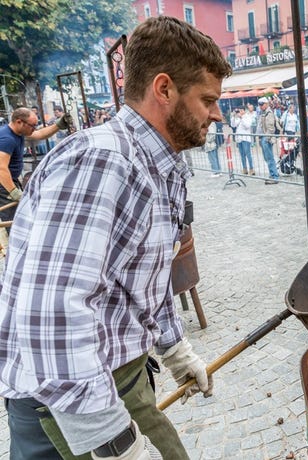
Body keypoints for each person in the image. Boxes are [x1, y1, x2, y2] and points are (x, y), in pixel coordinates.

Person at [0, 16, 232, 459]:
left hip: (117, 378)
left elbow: (142, 275)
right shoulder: (105, 161)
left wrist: (174, 346)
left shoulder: (159, 163)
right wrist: (110, 439)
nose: (217, 113)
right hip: (66, 408)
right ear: (164, 89)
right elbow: (50, 314)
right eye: (207, 99)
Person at [0, 107, 70, 226]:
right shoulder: (8, 139)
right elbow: (1, 168)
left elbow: (39, 134)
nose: (34, 129)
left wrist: (58, 125)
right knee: (17, 222)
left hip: (8, 182)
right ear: (19, 122)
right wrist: (13, 192)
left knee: (21, 217)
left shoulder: (17, 132)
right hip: (3, 185)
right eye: (32, 125)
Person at [258, 96, 281, 184]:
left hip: (267, 138)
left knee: (270, 158)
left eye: (262, 104)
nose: (260, 106)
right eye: (259, 104)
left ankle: (274, 176)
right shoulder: (263, 112)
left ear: (266, 104)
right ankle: (272, 175)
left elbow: (270, 128)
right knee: (267, 158)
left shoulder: (268, 113)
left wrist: (266, 139)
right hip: (265, 137)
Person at [235, 106, 255, 175]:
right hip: (239, 139)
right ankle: (244, 168)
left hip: (246, 139)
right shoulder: (238, 118)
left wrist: (242, 118)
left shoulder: (247, 117)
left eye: (241, 110)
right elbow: (233, 125)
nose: (240, 112)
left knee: (248, 154)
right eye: (239, 110)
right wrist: (233, 117)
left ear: (244, 111)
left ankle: (251, 169)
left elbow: (247, 126)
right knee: (242, 155)